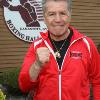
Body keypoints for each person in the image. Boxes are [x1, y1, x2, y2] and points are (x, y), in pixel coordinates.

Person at [18, 0, 100, 100]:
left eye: (62, 13)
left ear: (70, 15)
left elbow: (98, 80)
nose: (58, 19)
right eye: (51, 14)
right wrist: (37, 65)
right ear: (44, 18)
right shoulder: (36, 46)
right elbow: (24, 87)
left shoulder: (87, 44)